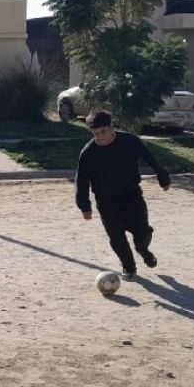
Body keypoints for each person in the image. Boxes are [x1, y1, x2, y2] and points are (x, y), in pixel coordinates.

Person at [75, 110, 170, 280]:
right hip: (106, 200)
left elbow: (150, 158)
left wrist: (163, 177)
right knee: (116, 236)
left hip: (132, 196)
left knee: (142, 232)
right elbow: (81, 180)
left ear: (111, 127)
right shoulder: (88, 152)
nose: (100, 136)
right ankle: (129, 267)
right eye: (95, 133)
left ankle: (143, 250)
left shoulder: (129, 141)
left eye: (103, 131)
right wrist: (84, 206)